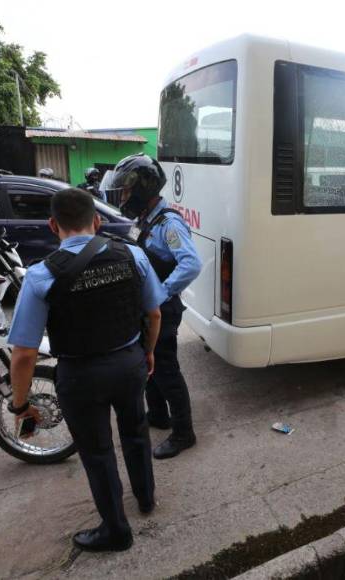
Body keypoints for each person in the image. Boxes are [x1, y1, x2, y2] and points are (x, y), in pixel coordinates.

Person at [7, 188, 167, 552]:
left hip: (81, 377)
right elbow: (154, 313)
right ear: (96, 221)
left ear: (53, 225)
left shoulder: (41, 275)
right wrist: (148, 352)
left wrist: (20, 404)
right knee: (137, 433)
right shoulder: (132, 254)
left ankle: (117, 531)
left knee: (98, 454)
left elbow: (24, 354)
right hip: (129, 364)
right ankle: (146, 498)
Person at [110, 154, 202, 460]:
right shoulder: (146, 219)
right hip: (148, 309)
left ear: (143, 188)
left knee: (166, 371)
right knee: (149, 367)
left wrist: (160, 293)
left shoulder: (168, 223)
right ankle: (160, 415)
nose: (123, 197)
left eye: (126, 190)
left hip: (163, 309)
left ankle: (184, 433)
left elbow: (191, 263)